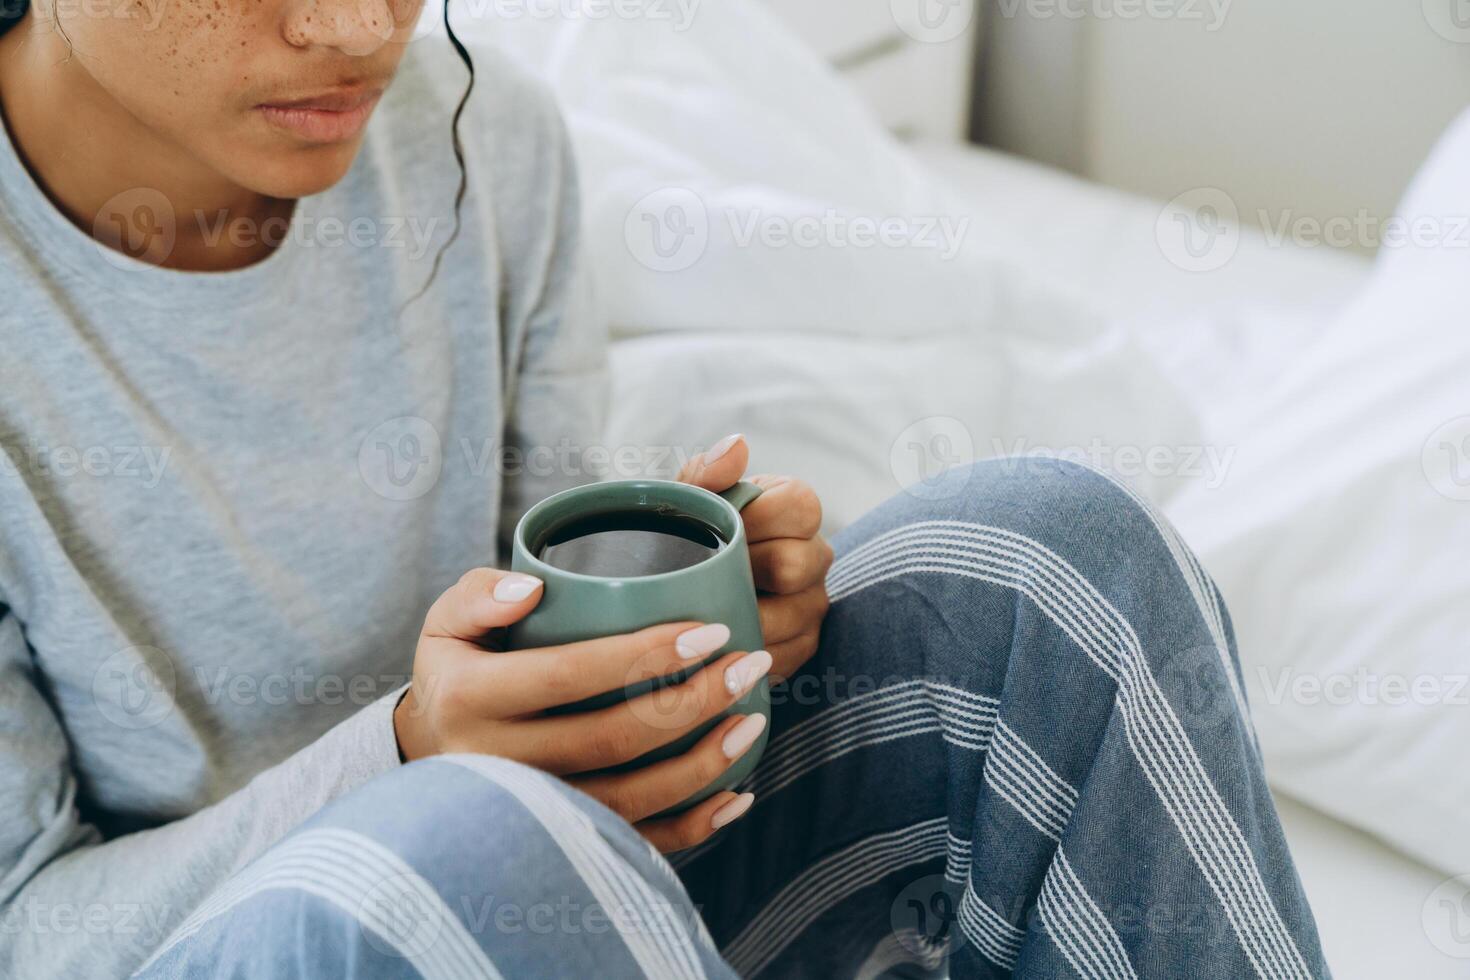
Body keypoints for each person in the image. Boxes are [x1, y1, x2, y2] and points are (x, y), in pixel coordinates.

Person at [0, 0, 1330, 975]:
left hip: (566, 908)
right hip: (251, 936)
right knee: (478, 836)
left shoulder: (486, 141)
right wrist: (408, 758)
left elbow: (534, 605)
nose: (359, 25)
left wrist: (689, 652)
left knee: (1054, 552)